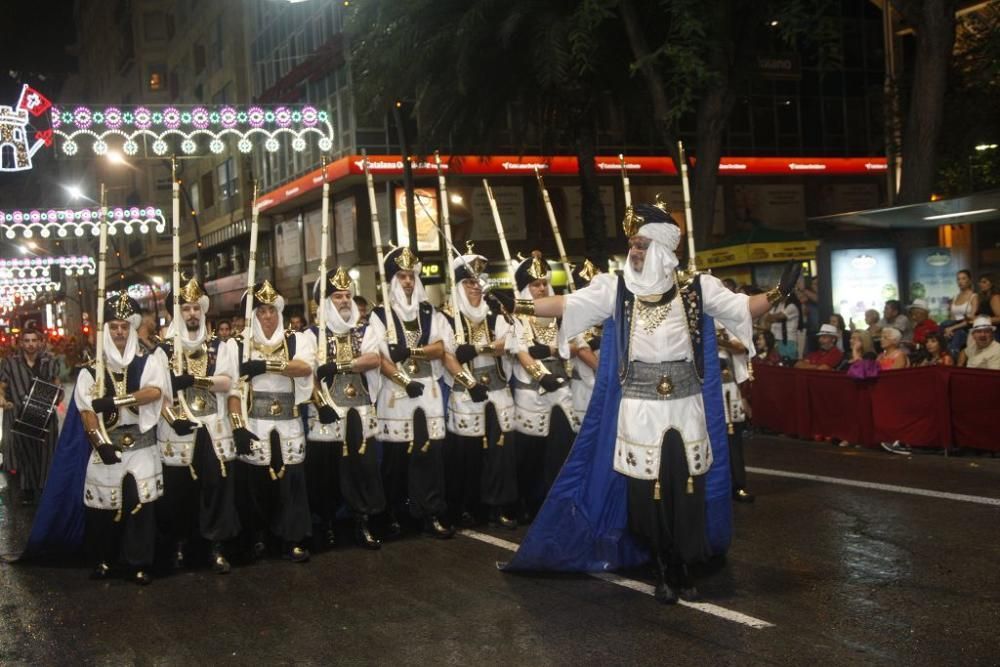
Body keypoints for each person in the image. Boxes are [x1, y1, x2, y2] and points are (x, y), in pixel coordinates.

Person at [497, 199, 799, 605]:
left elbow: (743, 308)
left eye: (641, 245)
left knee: (685, 487)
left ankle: (682, 561)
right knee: (646, 492)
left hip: (686, 405)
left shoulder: (695, 288)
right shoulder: (615, 288)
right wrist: (517, 305)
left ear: (661, 246)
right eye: (632, 246)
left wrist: (780, 291)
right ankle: (662, 562)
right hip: (638, 408)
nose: (634, 253)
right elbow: (569, 305)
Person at [74, 293, 171, 584]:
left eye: (124, 326)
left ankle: (140, 562)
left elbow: (155, 392)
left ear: (131, 328)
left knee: (140, 504)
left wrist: (117, 400)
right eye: (114, 326)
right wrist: (99, 444)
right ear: (107, 330)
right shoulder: (92, 369)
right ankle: (104, 560)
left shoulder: (147, 362)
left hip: (141, 444)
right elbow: (86, 411)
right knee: (104, 505)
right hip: (108, 443)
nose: (119, 332)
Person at [155, 278, 241, 574]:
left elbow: (229, 382)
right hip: (178, 430)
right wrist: (172, 419)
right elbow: (159, 394)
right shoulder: (163, 350)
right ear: (177, 314)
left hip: (214, 427)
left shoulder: (220, 345)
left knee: (217, 487)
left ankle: (216, 546)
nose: (191, 313)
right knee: (179, 491)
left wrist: (195, 380)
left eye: (195, 308)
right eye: (186, 308)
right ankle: (180, 545)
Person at [231, 280, 316, 563]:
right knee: (257, 484)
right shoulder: (240, 345)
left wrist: (266, 366)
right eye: (261, 311)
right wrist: (237, 426)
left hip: (289, 423)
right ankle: (259, 538)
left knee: (291, 483)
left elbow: (304, 367)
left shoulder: (296, 339)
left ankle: (292, 539)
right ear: (253, 315)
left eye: (271, 310)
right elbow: (233, 390)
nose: (267, 316)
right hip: (255, 422)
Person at [371, 246, 453, 538]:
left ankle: (430, 512)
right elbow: (379, 359)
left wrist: (412, 350)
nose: (407, 281)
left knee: (429, 455)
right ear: (392, 281)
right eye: (401, 276)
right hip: (395, 392)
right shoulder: (380, 315)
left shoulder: (430, 312)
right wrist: (404, 380)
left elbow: (442, 347)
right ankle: (393, 513)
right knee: (396, 458)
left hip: (428, 390)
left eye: (410, 276)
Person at [305, 267, 385, 550]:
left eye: (347, 295)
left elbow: (373, 359)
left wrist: (339, 366)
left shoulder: (364, 330)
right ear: (327, 301)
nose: (343, 300)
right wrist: (321, 403)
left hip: (359, 410)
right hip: (326, 412)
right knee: (325, 471)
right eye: (337, 296)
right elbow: (308, 376)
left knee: (362, 468)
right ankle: (325, 524)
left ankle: (362, 521)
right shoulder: (312, 334)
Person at [440, 248, 518, 529]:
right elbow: (448, 356)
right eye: (469, 282)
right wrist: (469, 382)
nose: (475, 287)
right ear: (458, 286)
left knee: (499, 453)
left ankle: (497, 505)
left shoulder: (495, 314)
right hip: (466, 393)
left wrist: (474, 348)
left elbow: (506, 344)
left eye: (478, 281)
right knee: (468, 455)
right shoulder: (447, 318)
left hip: (498, 392)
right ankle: (466, 507)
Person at [508, 251, 579, 520]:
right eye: (535, 284)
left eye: (543, 283)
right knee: (531, 454)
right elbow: (522, 352)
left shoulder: (561, 315)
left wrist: (551, 348)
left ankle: (558, 502)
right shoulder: (518, 317)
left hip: (562, 389)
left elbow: (576, 344)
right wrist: (542, 375)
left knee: (561, 447)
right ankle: (529, 504)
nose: (540, 289)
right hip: (532, 394)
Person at [0, 328, 60, 505]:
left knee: (47, 453)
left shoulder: (49, 361)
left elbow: (57, 384)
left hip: (45, 413)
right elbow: (2, 385)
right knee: (25, 453)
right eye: (27, 340)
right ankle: (27, 490)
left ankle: (46, 488)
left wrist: (58, 397)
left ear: (40, 342)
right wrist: (2, 398)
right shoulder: (10, 363)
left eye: (34, 340)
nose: (31, 344)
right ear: (21, 343)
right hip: (20, 413)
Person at [716, 325, 753, 503]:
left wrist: (716, 339)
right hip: (699, 390)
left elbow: (741, 347)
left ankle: (738, 485)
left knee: (732, 441)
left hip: (726, 390)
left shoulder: (725, 321)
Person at [569, 260, 603, 426]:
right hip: (585, 385)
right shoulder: (573, 315)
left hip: (607, 383)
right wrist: (606, 374)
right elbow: (582, 351)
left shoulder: (607, 313)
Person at [940, 270, 978, 356]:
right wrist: (949, 330)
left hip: (966, 328)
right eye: (958, 279)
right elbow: (952, 318)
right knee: (942, 327)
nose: (960, 281)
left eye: (963, 278)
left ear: (969, 280)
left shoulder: (974, 296)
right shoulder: (955, 297)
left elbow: (971, 319)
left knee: (957, 336)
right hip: (953, 327)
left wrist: (952, 328)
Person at [763, 292, 800, 360]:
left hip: (788, 341)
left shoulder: (792, 306)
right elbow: (766, 318)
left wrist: (771, 317)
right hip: (775, 340)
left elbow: (780, 316)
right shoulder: (776, 306)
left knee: (788, 362)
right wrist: (771, 317)